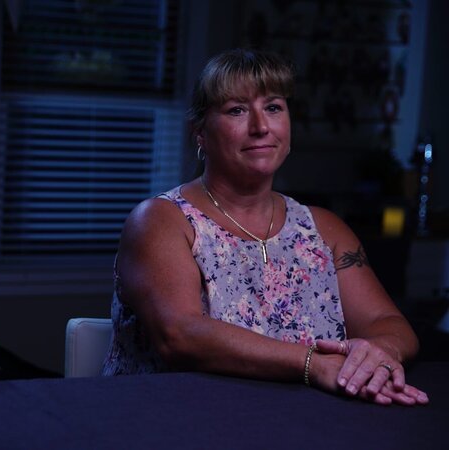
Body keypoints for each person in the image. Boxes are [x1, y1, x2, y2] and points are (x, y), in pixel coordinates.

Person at [102, 48, 429, 406]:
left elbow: (389, 323)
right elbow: (181, 335)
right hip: (173, 420)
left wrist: (375, 353)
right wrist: (313, 365)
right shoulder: (160, 221)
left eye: (273, 107)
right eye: (236, 110)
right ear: (200, 133)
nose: (260, 127)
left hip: (301, 424)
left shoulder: (324, 229)